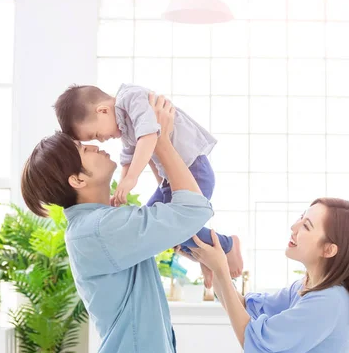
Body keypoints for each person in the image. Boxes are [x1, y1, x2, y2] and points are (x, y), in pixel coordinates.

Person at [21, 94, 211, 353]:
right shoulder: (99, 230)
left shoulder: (99, 224)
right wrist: (159, 140)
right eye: (85, 149)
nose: (96, 146)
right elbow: (193, 210)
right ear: (77, 180)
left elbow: (171, 211)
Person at [53, 83, 243, 287]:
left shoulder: (131, 99)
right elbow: (128, 155)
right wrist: (122, 187)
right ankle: (205, 257)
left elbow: (149, 135)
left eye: (97, 135)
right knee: (155, 223)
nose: (102, 140)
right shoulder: (124, 125)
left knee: (176, 225)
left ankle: (228, 245)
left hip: (194, 170)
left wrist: (131, 178)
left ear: (103, 110)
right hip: (172, 179)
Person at [180, 198, 349, 353]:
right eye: (301, 218)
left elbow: (256, 341)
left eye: (306, 226)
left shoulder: (329, 301)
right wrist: (212, 265)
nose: (294, 227)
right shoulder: (304, 288)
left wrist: (221, 269)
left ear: (329, 249)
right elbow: (245, 308)